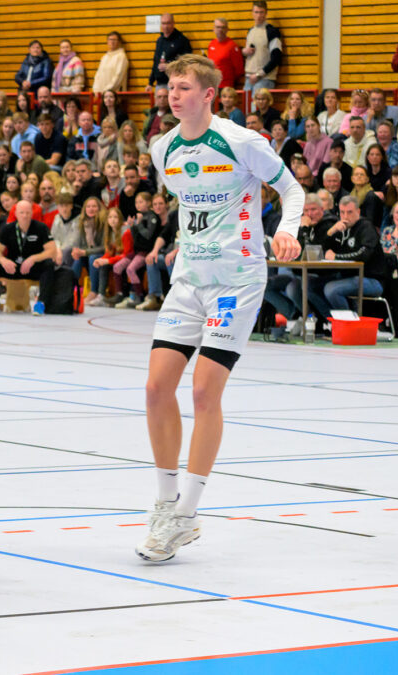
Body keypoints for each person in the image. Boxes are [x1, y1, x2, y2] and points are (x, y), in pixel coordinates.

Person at [139, 54, 302, 563]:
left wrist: (287, 230)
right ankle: (166, 504)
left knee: (204, 390)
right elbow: (192, 208)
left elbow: (292, 189)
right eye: (171, 86)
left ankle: (187, 512)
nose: (174, 94)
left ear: (209, 95)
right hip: (188, 279)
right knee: (155, 387)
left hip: (237, 280)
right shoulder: (161, 147)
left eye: (184, 87)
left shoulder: (240, 141)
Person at [0, 200, 58, 315]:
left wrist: (33, 259)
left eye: (27, 212)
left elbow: (52, 251)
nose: (25, 216)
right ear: (16, 213)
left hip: (32, 268)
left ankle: (41, 303)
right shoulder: (7, 229)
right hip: (13, 268)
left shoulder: (41, 228)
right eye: (21, 213)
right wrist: (3, 260)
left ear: (32, 213)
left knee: (49, 264)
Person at [243, 1, 283, 100]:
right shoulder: (250, 31)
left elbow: (277, 57)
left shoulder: (272, 32)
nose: (259, 15)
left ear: (266, 13)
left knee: (256, 109)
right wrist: (244, 52)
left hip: (264, 78)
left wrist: (259, 74)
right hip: (249, 77)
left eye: (261, 12)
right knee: (247, 110)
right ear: (252, 13)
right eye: (256, 12)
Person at [147, 14, 192, 91]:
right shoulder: (160, 40)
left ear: (173, 23)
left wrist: (170, 66)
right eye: (163, 23)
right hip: (160, 83)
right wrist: (150, 82)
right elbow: (155, 62)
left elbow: (187, 63)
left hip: (175, 83)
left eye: (168, 23)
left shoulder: (182, 40)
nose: (166, 26)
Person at [207, 17, 244, 89]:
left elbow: (239, 70)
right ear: (213, 29)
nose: (220, 30)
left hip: (226, 86)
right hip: (213, 85)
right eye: (218, 27)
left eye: (223, 27)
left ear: (227, 29)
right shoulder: (211, 44)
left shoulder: (232, 46)